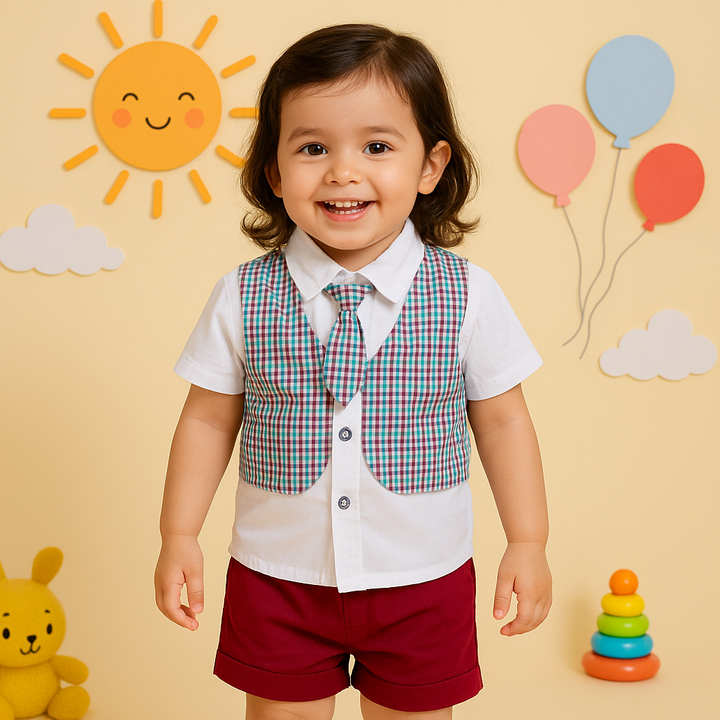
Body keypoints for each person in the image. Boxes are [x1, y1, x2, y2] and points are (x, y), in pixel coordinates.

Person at [154, 23, 551, 720]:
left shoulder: (468, 294)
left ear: (430, 166)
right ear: (274, 173)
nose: (342, 172)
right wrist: (178, 534)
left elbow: (503, 421)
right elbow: (209, 419)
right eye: (313, 148)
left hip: (422, 576)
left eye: (376, 147)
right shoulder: (243, 294)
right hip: (279, 575)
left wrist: (528, 541)